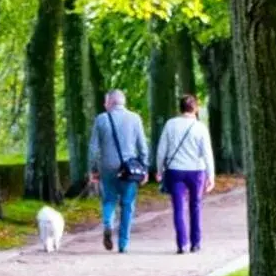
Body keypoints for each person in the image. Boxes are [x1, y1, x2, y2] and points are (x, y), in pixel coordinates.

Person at [153, 93, 216, 254]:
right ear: (195, 109)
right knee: (195, 206)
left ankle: (182, 244)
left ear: (180, 108)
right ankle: (196, 243)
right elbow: (207, 153)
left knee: (178, 208)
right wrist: (211, 176)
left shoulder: (171, 124)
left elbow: (162, 150)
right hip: (196, 171)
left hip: (175, 171)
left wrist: (159, 170)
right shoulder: (200, 127)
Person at [88, 89, 149, 254]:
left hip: (107, 168)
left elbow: (93, 148)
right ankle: (123, 244)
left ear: (110, 103)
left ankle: (108, 223)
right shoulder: (135, 118)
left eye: (105, 102)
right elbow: (143, 146)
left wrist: (93, 169)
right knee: (127, 205)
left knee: (109, 200)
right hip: (129, 170)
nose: (104, 104)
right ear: (123, 102)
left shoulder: (101, 119)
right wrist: (144, 168)